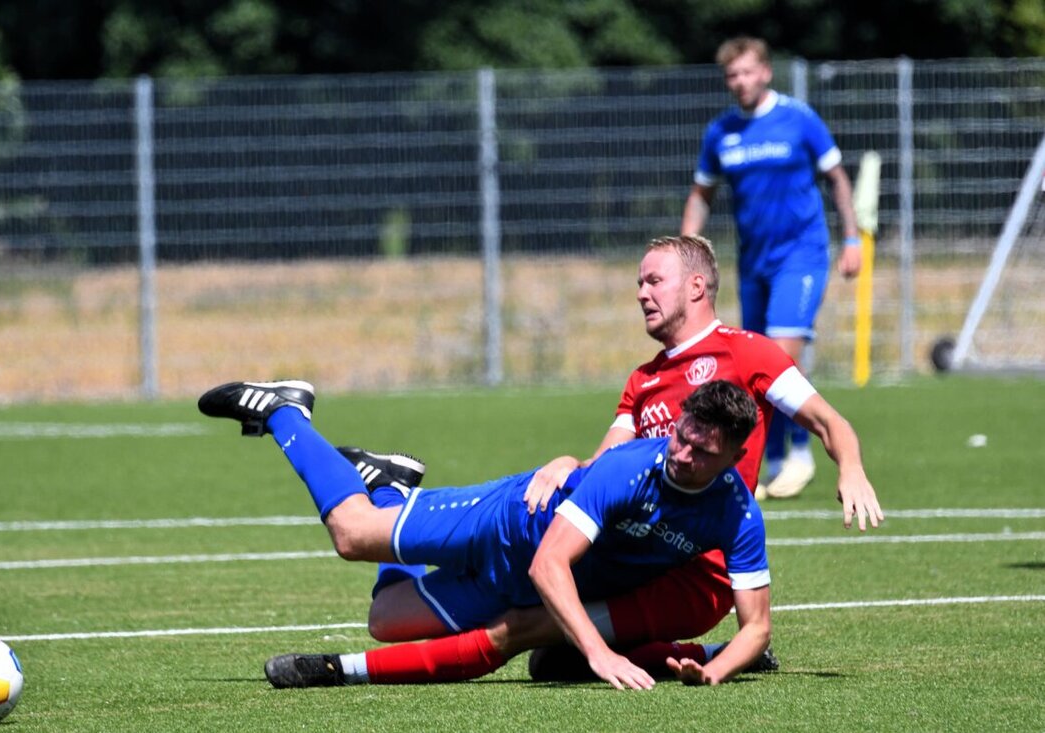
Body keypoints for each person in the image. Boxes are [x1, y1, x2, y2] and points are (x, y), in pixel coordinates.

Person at [320, 234, 880, 686]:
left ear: (697, 286)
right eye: (638, 282)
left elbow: (829, 421)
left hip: (701, 571)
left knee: (520, 629)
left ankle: (340, 672)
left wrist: (849, 466)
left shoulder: (748, 351)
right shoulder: (643, 379)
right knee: (434, 629)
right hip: (633, 555)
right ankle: (629, 651)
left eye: (653, 280)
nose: (641, 292)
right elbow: (608, 462)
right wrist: (567, 462)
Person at [198, 377, 769, 690]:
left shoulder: (736, 514)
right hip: (504, 524)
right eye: (683, 437)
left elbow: (757, 627)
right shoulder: (631, 469)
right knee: (352, 533)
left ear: (735, 458)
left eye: (702, 452)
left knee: (385, 620)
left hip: (522, 586)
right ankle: (284, 409)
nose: (683, 455)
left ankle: (393, 484)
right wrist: (597, 653)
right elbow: (551, 564)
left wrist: (713, 672)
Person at [681, 36, 862, 499]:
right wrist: (685, 253)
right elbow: (702, 194)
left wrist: (851, 238)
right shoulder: (721, 132)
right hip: (753, 263)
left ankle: (801, 451)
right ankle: (770, 459)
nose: (740, 82)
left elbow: (837, 179)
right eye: (732, 75)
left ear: (766, 72)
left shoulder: (799, 119)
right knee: (754, 365)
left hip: (801, 256)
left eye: (747, 72)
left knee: (781, 354)